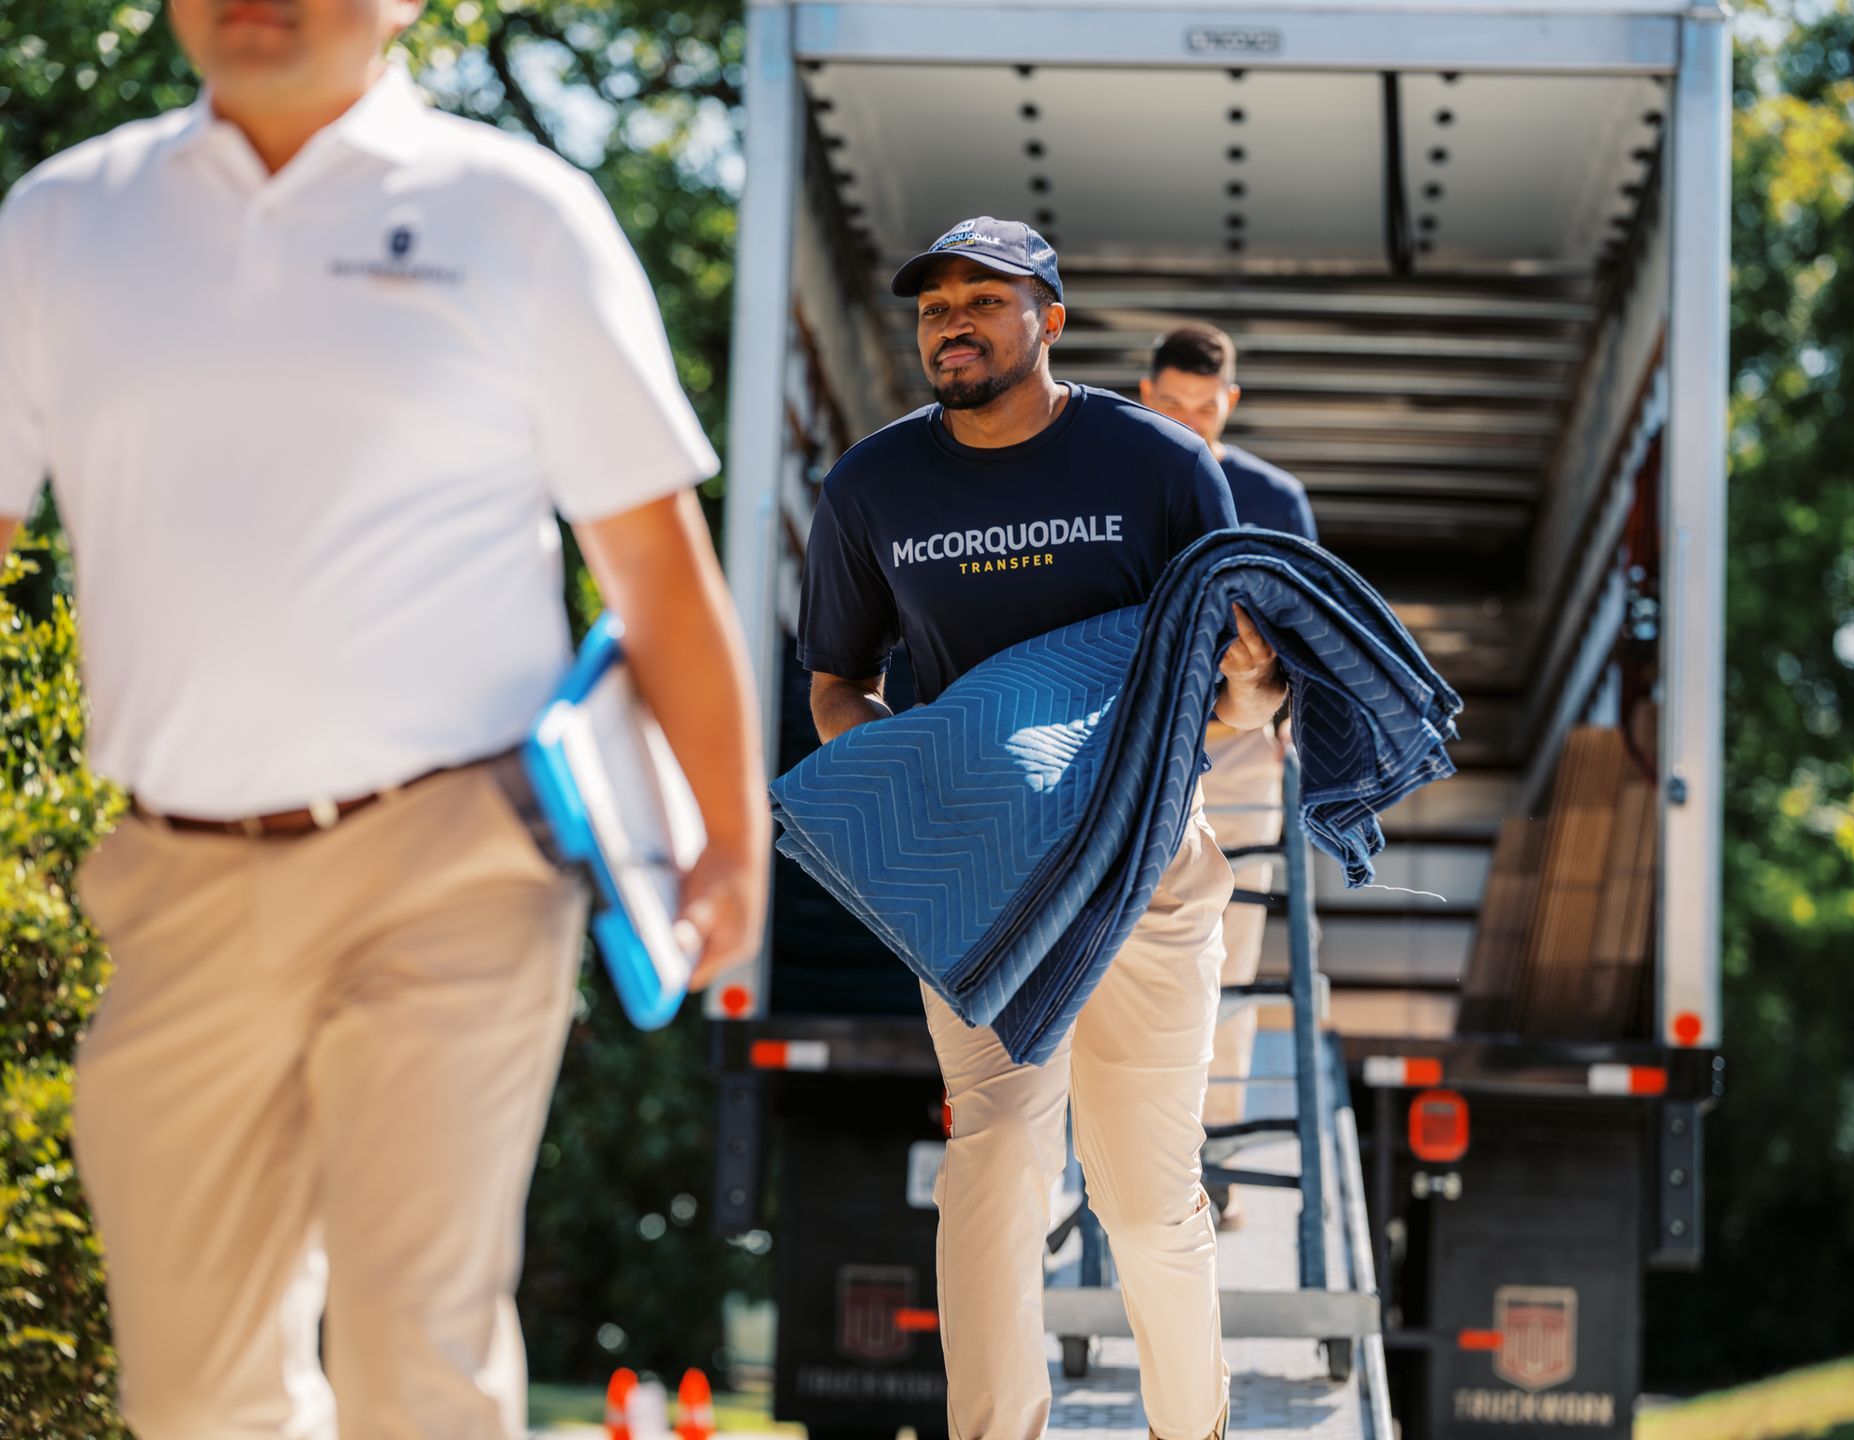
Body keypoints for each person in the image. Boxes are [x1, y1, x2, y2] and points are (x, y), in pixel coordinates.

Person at [0, 0, 767, 1434]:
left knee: (414, 1355)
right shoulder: (61, 224)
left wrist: (730, 842)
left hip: (453, 868)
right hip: (172, 884)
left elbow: (656, 566)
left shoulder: (518, 212)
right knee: (191, 1393)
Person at [799, 217, 1289, 1440]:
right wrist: (900, 789)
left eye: (985, 297)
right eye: (934, 306)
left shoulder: (1159, 467)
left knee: (1145, 1200)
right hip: (981, 878)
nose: (953, 320)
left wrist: (1253, 678)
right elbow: (836, 683)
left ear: (1051, 320)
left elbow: (1240, 693)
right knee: (998, 1163)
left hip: (1144, 872)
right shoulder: (872, 487)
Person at [1140, 324, 1320, 1226]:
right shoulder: (1111, 480)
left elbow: (1314, 633)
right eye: (1171, 408)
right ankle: (1127, 1154)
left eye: (1205, 412)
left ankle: (1211, 1163)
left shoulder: (1273, 498)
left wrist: (1289, 724)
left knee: (1231, 955)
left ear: (1230, 405)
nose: (1189, 425)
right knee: (1123, 945)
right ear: (1144, 393)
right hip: (1134, 741)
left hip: (1244, 749)